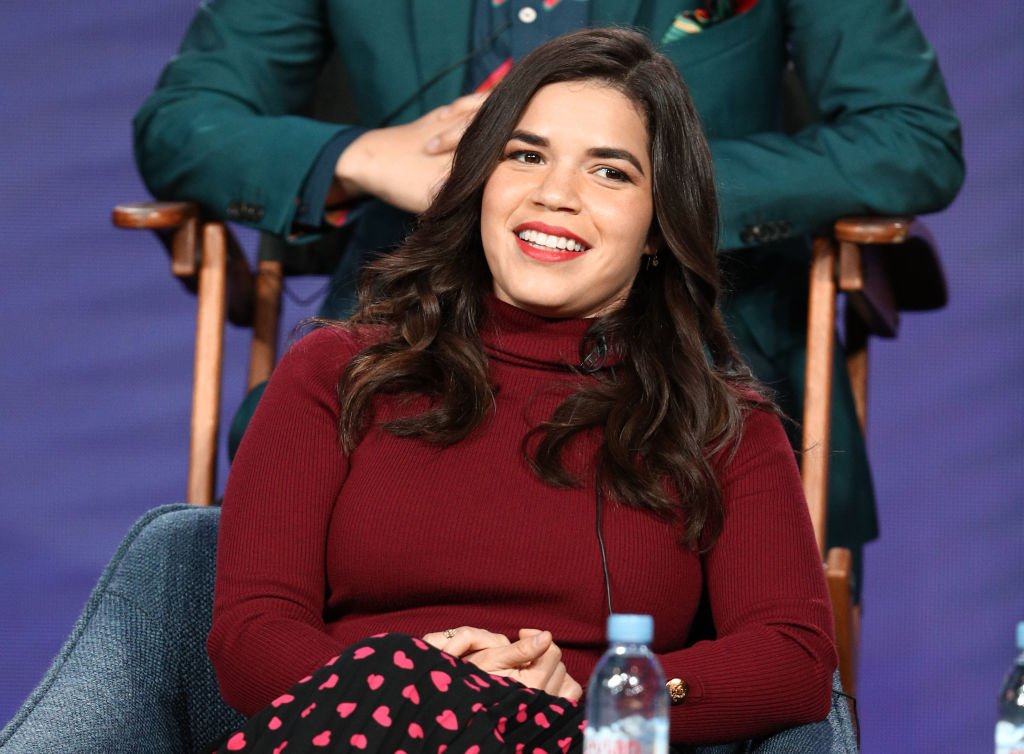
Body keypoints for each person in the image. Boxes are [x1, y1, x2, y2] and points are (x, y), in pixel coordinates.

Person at [134, 0, 965, 596]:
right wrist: (362, 156)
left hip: (688, 346)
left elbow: (912, 136)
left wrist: (651, 188)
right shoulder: (333, 371)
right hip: (417, 325)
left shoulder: (732, 418)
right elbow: (183, 120)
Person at [205, 28, 837, 754]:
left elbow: (793, 657)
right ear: (481, 181)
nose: (554, 195)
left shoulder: (719, 426)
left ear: (659, 227)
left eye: (611, 173)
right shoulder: (336, 371)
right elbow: (252, 633)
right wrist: (415, 688)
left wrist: (594, 694)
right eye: (526, 155)